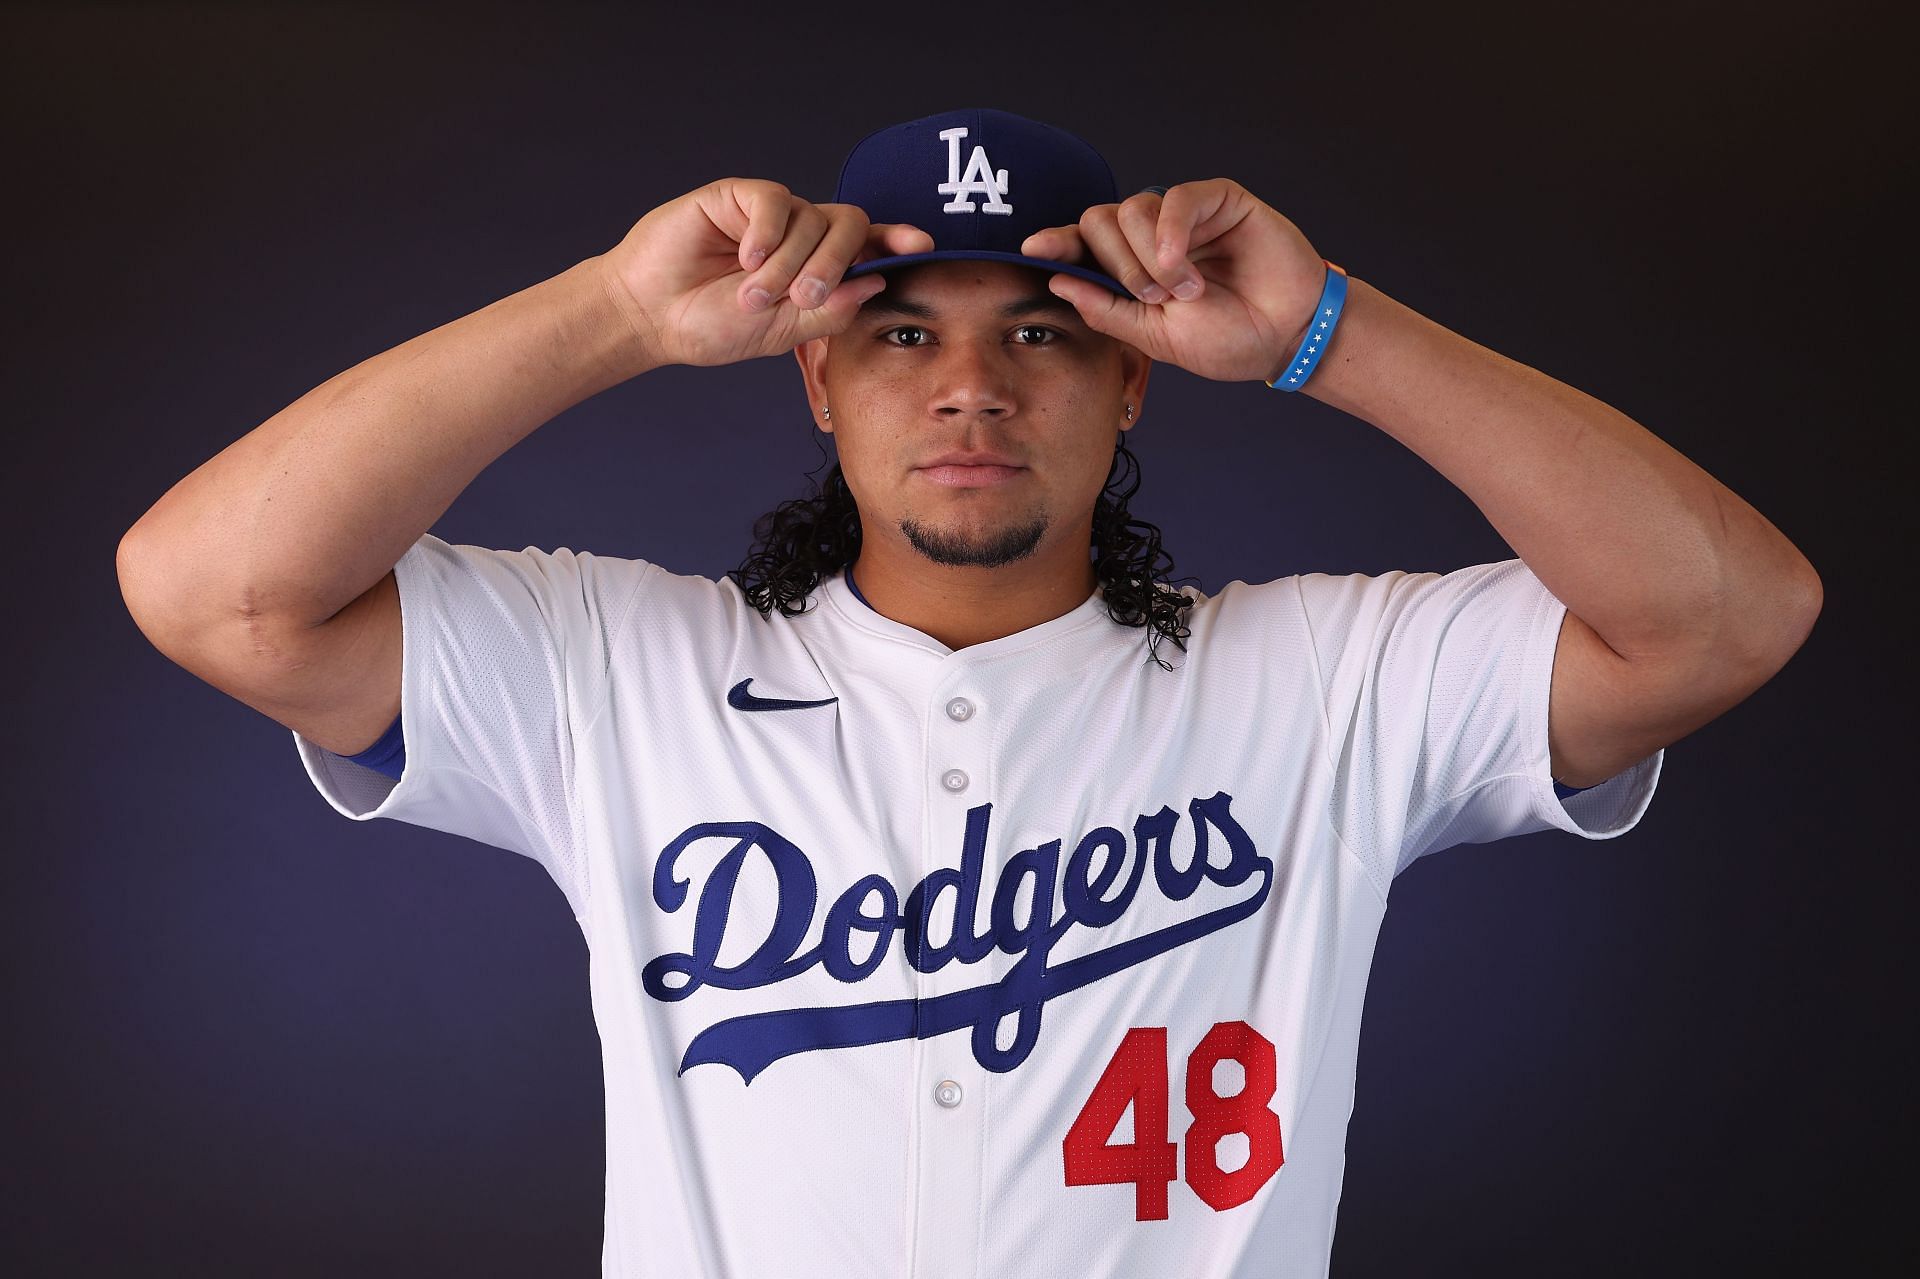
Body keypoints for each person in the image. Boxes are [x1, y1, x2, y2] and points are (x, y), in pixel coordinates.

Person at [115, 107, 1822, 1278]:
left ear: (1136, 381)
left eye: (1044, 331)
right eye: (907, 333)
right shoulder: (614, 670)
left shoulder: (1328, 679)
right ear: (815, 376)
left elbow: (1727, 617)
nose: (974, 389)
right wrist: (617, 313)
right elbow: (217, 593)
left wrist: (1334, 335)